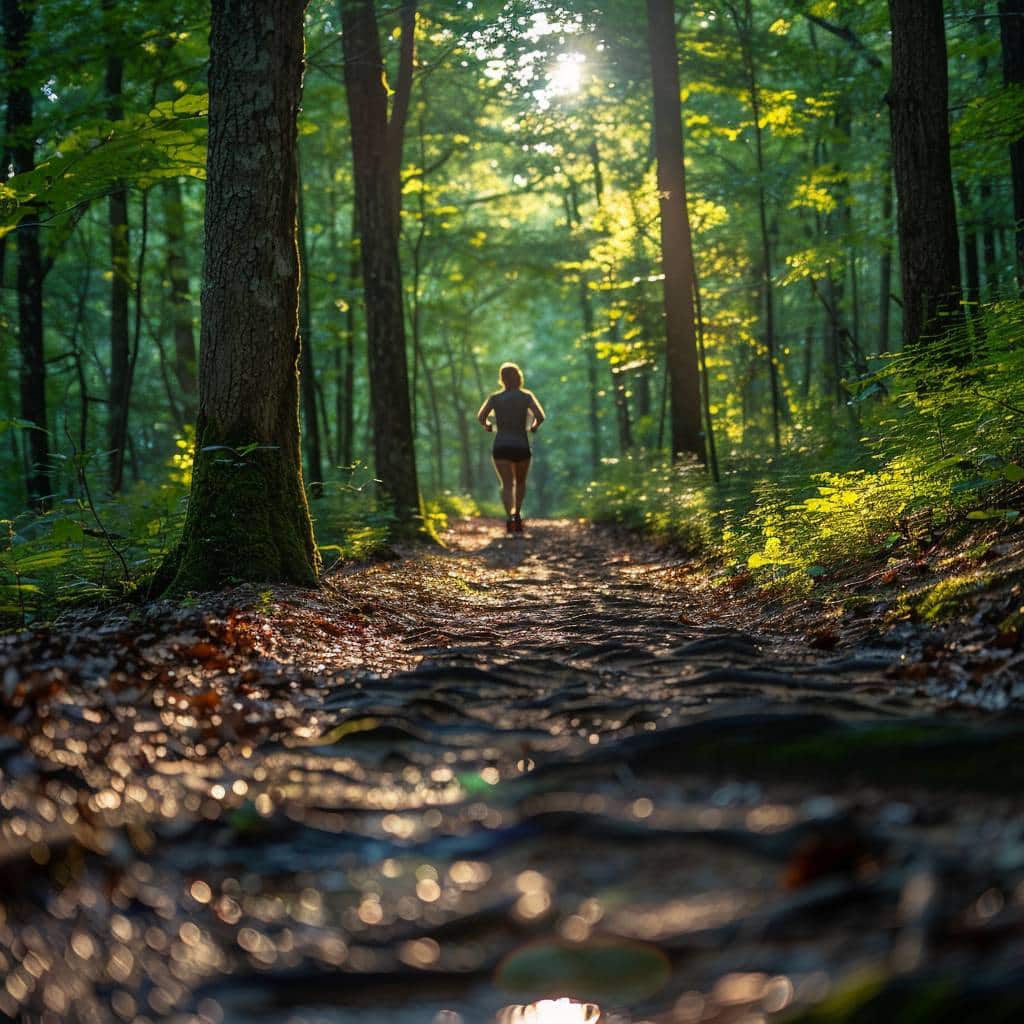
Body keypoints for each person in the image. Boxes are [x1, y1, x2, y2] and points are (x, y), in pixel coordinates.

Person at [477, 362, 545, 535]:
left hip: (501, 445)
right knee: (520, 482)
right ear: (519, 377)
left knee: (507, 484)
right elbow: (540, 416)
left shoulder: (494, 398)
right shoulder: (526, 396)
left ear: (502, 379)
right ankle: (517, 517)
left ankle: (509, 519)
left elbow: (481, 417)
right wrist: (534, 427)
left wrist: (487, 426)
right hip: (521, 445)